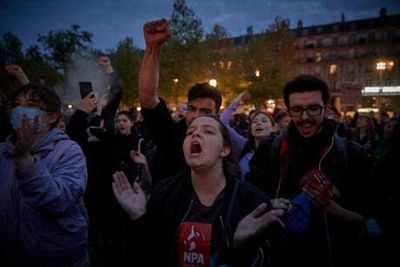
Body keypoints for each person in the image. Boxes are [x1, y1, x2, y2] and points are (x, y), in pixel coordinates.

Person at [112, 115, 285, 266]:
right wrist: (139, 218)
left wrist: (241, 247)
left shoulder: (252, 201)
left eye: (208, 131)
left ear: (224, 149)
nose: (195, 134)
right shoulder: (165, 192)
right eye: (190, 132)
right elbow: (147, 256)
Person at [247, 74, 375, 267]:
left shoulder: (352, 154)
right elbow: (250, 199)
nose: (305, 117)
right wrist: (270, 204)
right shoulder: (269, 150)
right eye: (297, 110)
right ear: (288, 111)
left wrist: (335, 209)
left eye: (313, 108)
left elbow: (369, 217)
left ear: (326, 108)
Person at [0, 84, 88, 266]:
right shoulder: (2, 151)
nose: (20, 110)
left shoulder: (68, 151)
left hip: (57, 257)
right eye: (17, 104)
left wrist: (24, 160)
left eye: (31, 105)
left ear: (52, 116)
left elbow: (59, 200)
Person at [139, 18, 223, 184]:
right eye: (192, 109)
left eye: (205, 111)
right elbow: (147, 98)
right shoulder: (172, 135)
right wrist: (152, 50)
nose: (196, 116)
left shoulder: (227, 144)